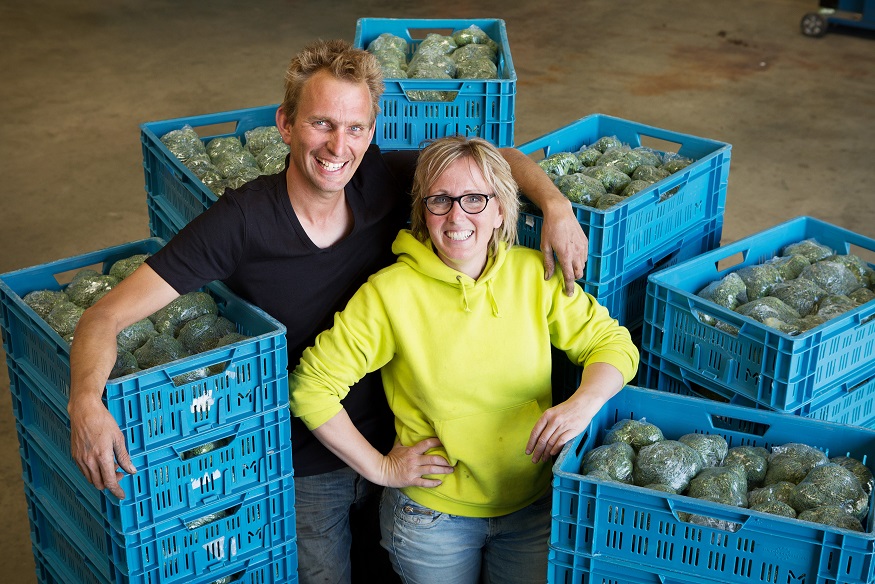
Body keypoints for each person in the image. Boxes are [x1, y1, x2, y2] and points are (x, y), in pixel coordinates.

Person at [66, 39, 588, 584]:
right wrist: (85, 399)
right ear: (286, 125)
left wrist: (555, 206)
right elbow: (104, 316)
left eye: (356, 127)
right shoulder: (240, 221)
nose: (339, 145)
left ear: (370, 132)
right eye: (321, 124)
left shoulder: (380, 181)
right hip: (308, 457)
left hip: (399, 435)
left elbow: (495, 159)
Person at [289, 135, 640, 584]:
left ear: (500, 209)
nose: (457, 216)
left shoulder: (535, 274)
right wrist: (381, 467)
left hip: (532, 508)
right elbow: (311, 387)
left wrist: (583, 403)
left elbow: (612, 344)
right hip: (433, 521)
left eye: (475, 199)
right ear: (424, 212)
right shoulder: (391, 294)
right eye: (441, 200)